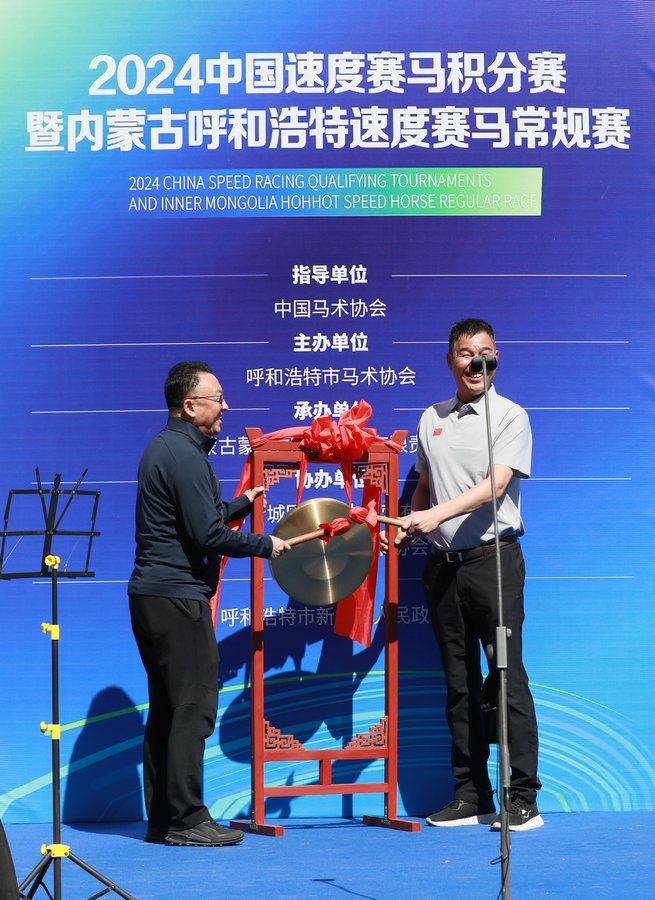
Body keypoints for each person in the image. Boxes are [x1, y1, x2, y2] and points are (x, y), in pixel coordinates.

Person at [128, 361, 290, 847]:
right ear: (189, 405)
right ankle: (188, 819)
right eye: (218, 399)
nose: (226, 406)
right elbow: (208, 535)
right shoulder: (184, 455)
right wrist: (266, 544)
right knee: (193, 707)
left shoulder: (169, 448)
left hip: (154, 596)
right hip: (176, 597)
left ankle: (164, 819)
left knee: (168, 707)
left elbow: (201, 517)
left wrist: (243, 503)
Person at [395, 318, 542, 832]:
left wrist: (436, 514)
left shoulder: (510, 416)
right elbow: (424, 483)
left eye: (485, 351)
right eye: (465, 352)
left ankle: (522, 797)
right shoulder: (430, 417)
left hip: (493, 563)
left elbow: (495, 486)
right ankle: (471, 793)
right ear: (450, 360)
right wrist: (412, 522)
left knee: (506, 677)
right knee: (459, 684)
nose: (476, 360)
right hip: (442, 569)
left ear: (496, 358)